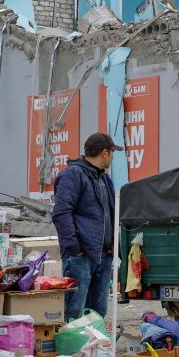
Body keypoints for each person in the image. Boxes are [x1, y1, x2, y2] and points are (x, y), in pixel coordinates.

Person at [51, 132, 123, 320]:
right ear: (105, 153)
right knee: (74, 311)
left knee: (98, 312)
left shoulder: (104, 178)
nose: (114, 157)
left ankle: (93, 349)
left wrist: (114, 245)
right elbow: (61, 213)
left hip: (103, 256)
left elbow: (111, 213)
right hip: (80, 258)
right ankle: (72, 349)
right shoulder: (73, 175)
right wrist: (75, 248)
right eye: (113, 152)